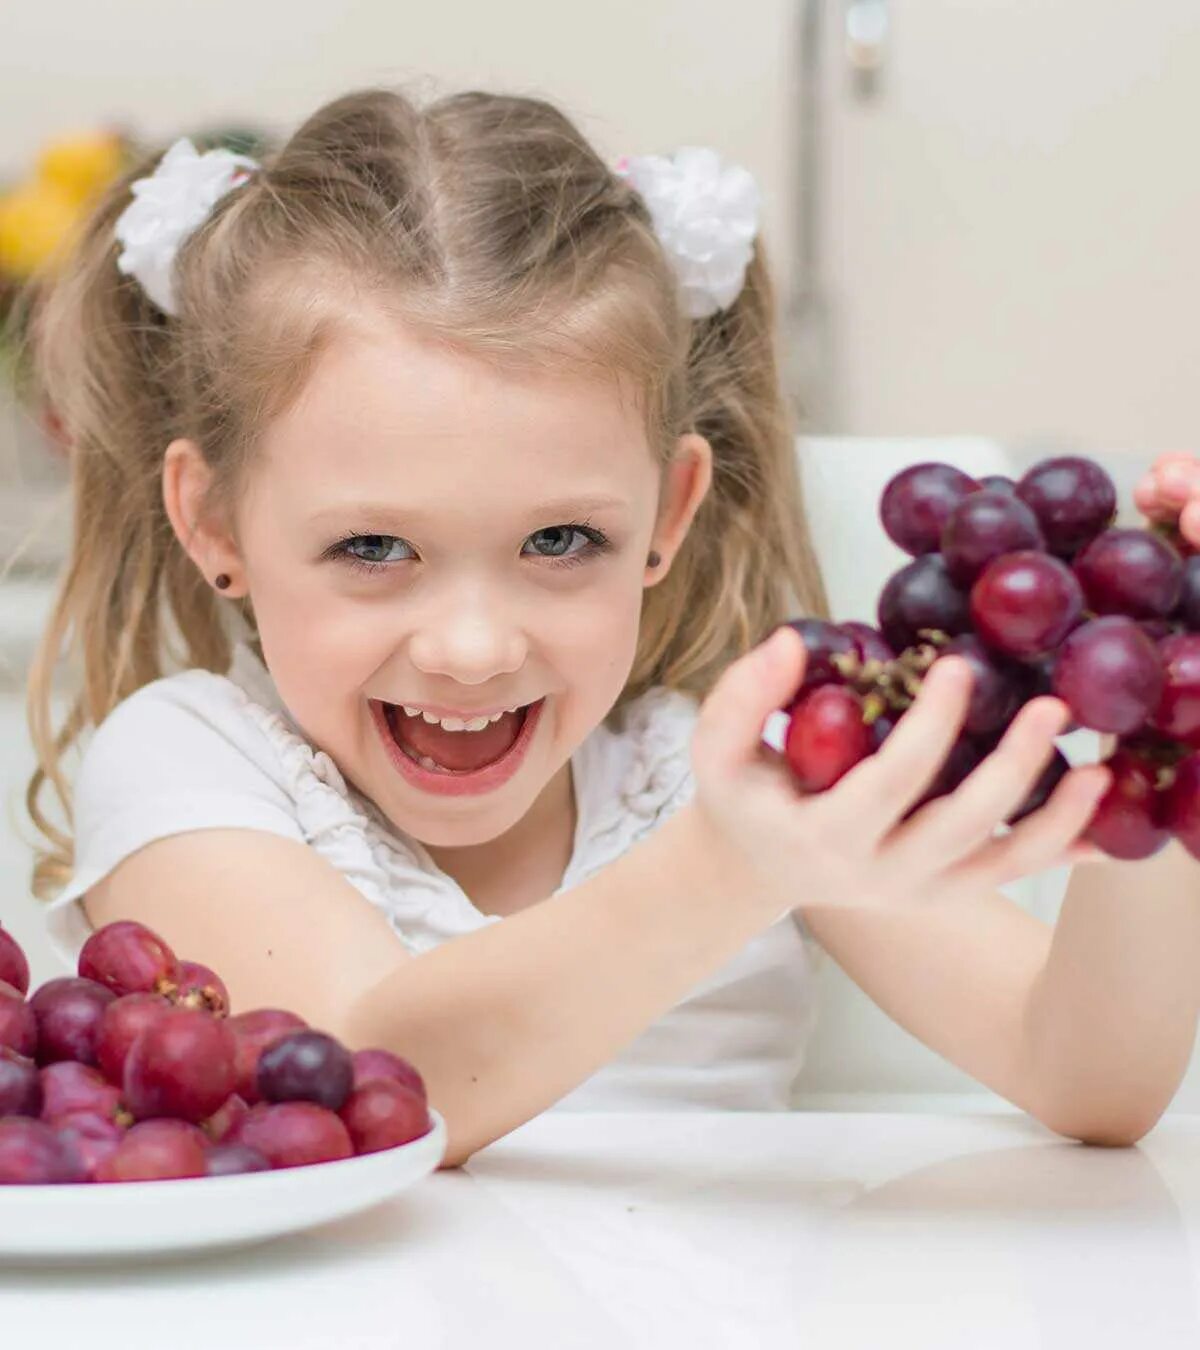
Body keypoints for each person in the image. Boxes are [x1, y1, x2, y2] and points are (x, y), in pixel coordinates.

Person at [12, 85, 1154, 1170]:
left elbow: (1084, 1074)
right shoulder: (186, 765)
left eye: (560, 543)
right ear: (212, 522)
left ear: (668, 513)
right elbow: (365, 1082)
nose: (473, 648)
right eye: (372, 549)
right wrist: (724, 868)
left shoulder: (723, 776)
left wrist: (1164, 738)